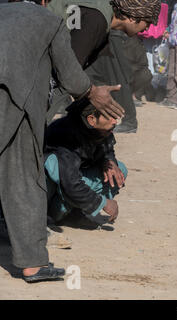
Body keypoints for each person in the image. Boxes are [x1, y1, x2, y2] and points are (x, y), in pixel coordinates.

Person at [0, 2, 122, 283]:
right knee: (22, 175)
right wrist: (93, 92)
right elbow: (72, 77)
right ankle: (31, 263)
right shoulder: (51, 21)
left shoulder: (4, 10)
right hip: (13, 95)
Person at [46, 0, 161, 133]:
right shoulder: (97, 19)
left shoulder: (102, 20)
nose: (147, 28)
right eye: (147, 22)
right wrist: (91, 93)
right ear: (132, 17)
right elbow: (67, 72)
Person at [44, 99, 127, 226]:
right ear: (91, 119)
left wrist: (108, 161)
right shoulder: (67, 135)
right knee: (54, 165)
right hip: (56, 193)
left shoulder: (101, 129)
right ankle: (52, 215)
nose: (115, 121)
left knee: (119, 170)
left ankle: (76, 213)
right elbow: (71, 184)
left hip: (74, 181)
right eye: (109, 116)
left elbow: (107, 149)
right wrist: (102, 203)